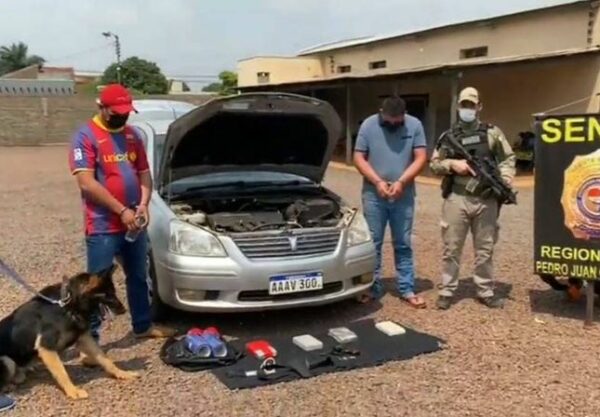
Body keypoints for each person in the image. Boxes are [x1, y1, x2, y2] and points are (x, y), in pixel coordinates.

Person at [68, 84, 175, 357]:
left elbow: (144, 173)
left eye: (126, 112)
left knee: (138, 276)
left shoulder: (132, 135)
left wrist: (143, 205)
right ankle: (90, 343)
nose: (122, 117)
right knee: (95, 286)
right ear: (101, 107)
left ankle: (142, 325)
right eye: (116, 113)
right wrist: (121, 210)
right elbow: (86, 183)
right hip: (103, 226)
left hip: (133, 223)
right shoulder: (85, 136)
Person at [429, 87, 516, 310]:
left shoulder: (492, 133)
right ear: (459, 107)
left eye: (471, 105)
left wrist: (506, 177)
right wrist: (452, 164)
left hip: (486, 199)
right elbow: (434, 164)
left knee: (485, 249)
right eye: (464, 105)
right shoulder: (448, 137)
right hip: (457, 198)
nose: (467, 109)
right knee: (451, 248)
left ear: (479, 107)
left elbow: (507, 158)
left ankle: (485, 291)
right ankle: (447, 290)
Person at [353, 96, 428, 307]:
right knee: (373, 242)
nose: (393, 124)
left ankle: (406, 288)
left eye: (398, 120)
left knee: (403, 242)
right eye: (389, 120)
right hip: (374, 195)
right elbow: (359, 157)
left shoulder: (415, 125)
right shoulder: (368, 125)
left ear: (404, 115)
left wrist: (402, 182)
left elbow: (421, 157)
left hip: (403, 194)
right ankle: (371, 286)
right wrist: (377, 181)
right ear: (381, 112)